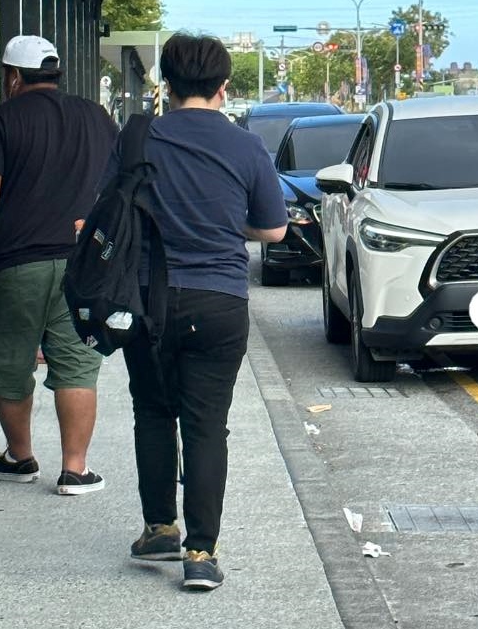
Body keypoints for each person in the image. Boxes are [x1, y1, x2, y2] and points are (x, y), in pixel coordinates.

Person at [115, 33, 286, 591]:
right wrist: (223, 223)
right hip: (219, 301)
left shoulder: (139, 138)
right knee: (208, 425)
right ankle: (201, 554)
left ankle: (159, 527)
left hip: (148, 299)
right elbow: (273, 229)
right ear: (223, 85)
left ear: (166, 82)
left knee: (154, 413)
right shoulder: (246, 146)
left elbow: (112, 213)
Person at [0, 34, 117, 495]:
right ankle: (76, 468)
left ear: (12, 77)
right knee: (78, 365)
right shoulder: (96, 117)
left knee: (9, 364)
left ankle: (20, 457)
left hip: (16, 263)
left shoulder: (2, 119)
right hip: (81, 262)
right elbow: (118, 184)